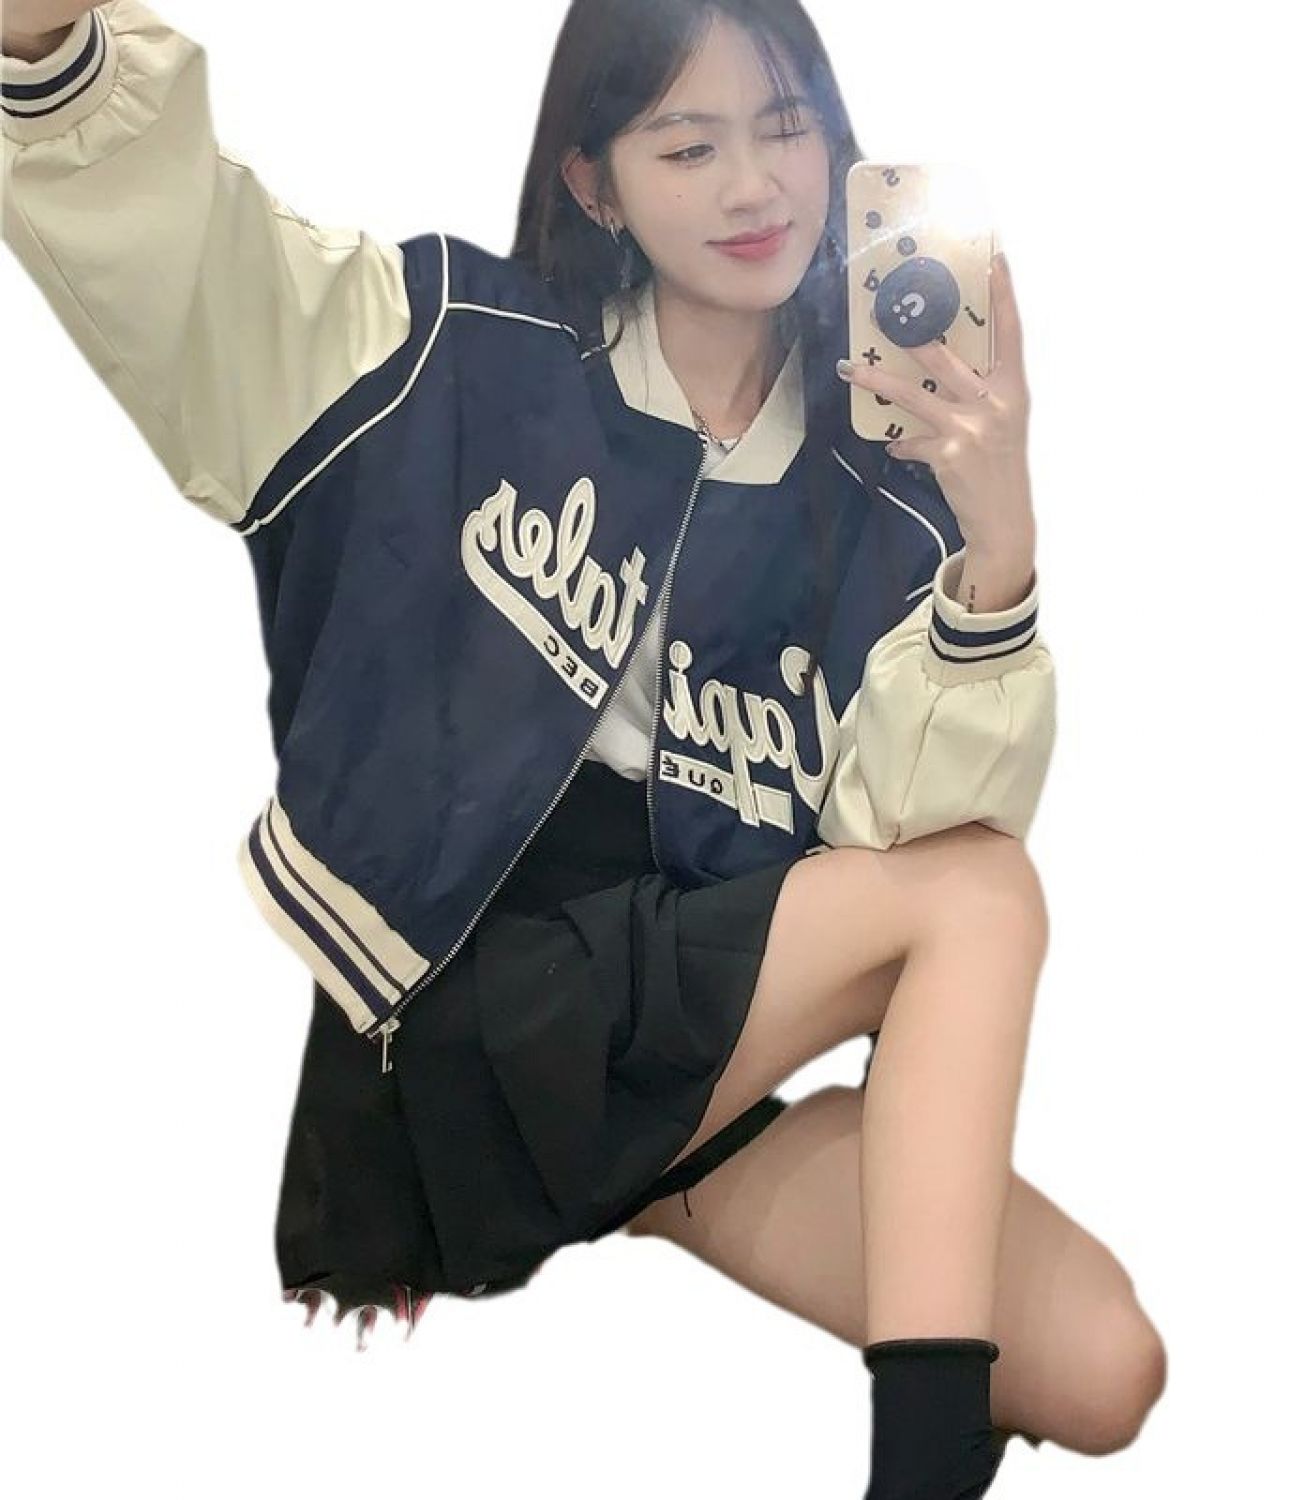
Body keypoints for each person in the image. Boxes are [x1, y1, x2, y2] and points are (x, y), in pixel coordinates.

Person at [3, 1, 1166, 1492]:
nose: (754, 185)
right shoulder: (448, 355)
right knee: (986, 894)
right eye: (687, 146)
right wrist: (42, 55)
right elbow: (191, 266)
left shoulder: (879, 490)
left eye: (786, 127)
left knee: (1105, 1368)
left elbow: (902, 839)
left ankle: (877, 1359)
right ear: (593, 184)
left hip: (677, 1044)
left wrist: (995, 540)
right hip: (476, 1016)